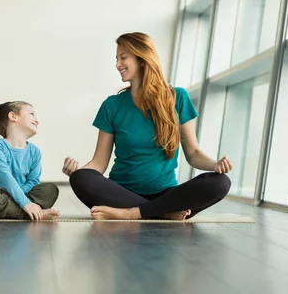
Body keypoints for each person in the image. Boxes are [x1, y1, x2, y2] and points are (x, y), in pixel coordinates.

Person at [62, 32, 232, 220]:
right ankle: (162, 213)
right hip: (120, 193)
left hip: (166, 195)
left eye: (123, 58)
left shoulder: (178, 98)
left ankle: (131, 214)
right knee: (81, 179)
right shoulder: (111, 105)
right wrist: (79, 172)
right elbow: (99, 162)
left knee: (220, 183)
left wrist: (214, 164)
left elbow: (193, 153)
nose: (117, 64)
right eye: (117, 59)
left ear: (142, 58)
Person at [0, 101, 61, 221]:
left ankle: (1, 214)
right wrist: (26, 204)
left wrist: (20, 198)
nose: (37, 120)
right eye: (31, 114)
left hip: (20, 197)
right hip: (1, 195)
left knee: (50, 189)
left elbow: (33, 181)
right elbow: (6, 179)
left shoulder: (35, 152)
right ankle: (31, 214)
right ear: (13, 116)